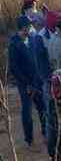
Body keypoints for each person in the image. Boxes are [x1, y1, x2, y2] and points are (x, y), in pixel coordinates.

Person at [8, 16, 47, 148]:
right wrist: (26, 84)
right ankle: (30, 141)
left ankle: (46, 133)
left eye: (30, 26)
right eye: (28, 27)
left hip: (37, 81)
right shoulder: (14, 44)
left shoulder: (32, 39)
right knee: (27, 113)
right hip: (25, 85)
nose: (30, 28)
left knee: (43, 108)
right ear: (22, 28)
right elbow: (14, 68)